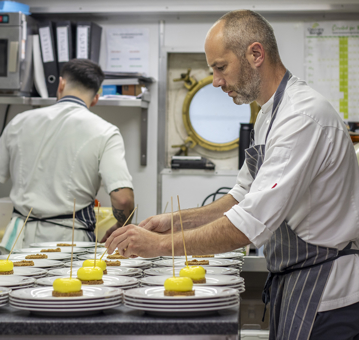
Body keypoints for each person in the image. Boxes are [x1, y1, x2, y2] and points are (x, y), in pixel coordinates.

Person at [105, 10, 359, 340]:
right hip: (296, 282)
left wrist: (159, 245)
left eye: (220, 67)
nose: (215, 81)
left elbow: (248, 224)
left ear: (256, 54)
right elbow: (240, 197)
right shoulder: (268, 116)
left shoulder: (302, 116)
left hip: (327, 294)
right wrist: (176, 221)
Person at [0, 59, 134, 249]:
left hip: (19, 241)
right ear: (95, 98)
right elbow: (123, 199)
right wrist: (121, 226)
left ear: (61, 84)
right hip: (69, 244)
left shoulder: (20, 122)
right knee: (65, 281)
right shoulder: (105, 131)